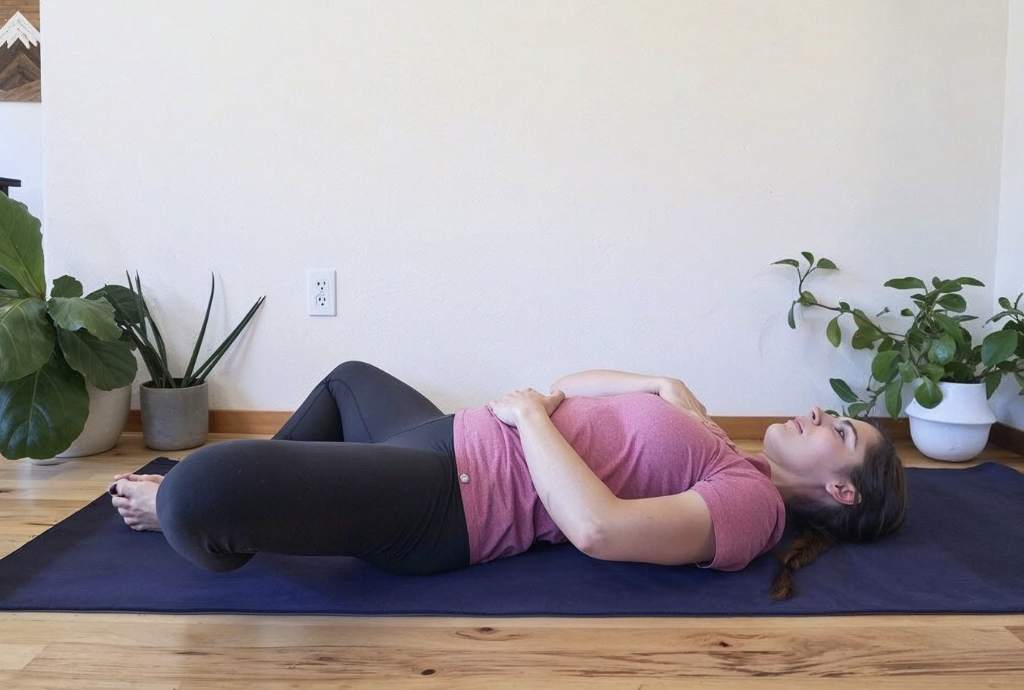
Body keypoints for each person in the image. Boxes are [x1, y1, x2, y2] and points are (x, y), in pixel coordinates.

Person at [109, 360, 908, 599]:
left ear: (843, 489)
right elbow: (579, 381)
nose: (818, 412)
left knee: (193, 493)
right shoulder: (720, 443)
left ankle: (221, 528)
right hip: (442, 439)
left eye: (840, 431)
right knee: (348, 379)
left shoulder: (754, 510)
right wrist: (664, 386)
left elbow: (598, 530)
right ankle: (278, 501)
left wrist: (531, 421)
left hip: (449, 501)